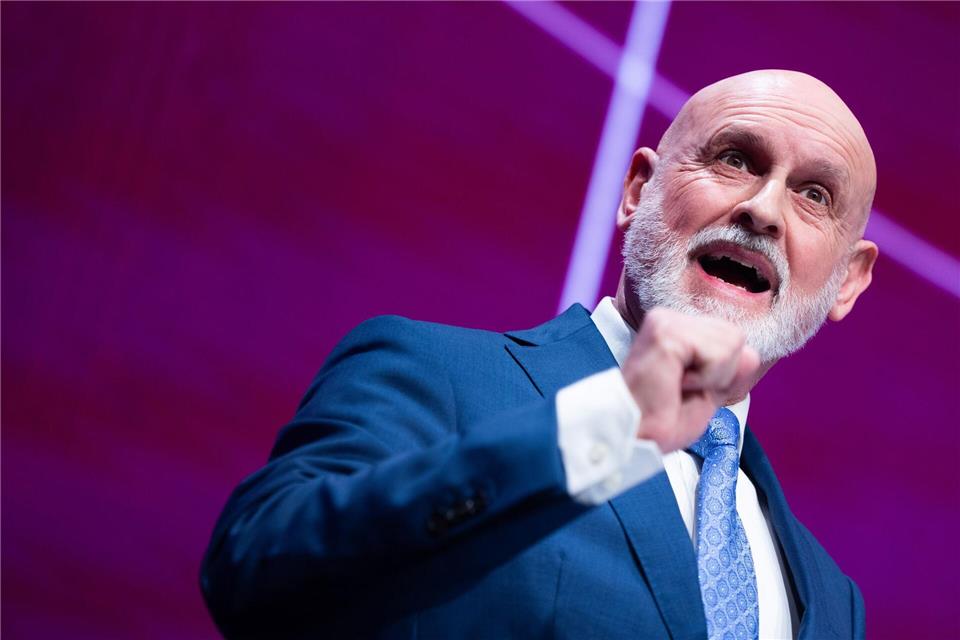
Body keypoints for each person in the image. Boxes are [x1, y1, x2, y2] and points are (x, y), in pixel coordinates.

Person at [200, 69, 877, 640]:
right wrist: (607, 425)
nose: (763, 209)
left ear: (847, 279)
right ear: (638, 190)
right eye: (735, 159)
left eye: (814, 195)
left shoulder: (833, 599)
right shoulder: (433, 374)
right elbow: (256, 568)